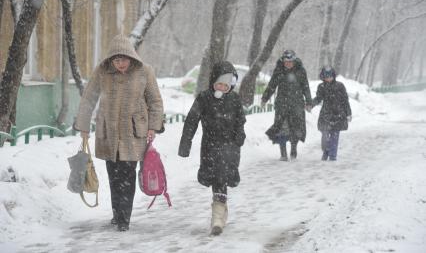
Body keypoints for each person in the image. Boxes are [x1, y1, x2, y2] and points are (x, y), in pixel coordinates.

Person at [74, 34, 164, 231]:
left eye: (123, 59)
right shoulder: (102, 71)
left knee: (127, 175)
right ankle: (117, 214)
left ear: (131, 57)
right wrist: (83, 127)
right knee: (113, 176)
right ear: (110, 60)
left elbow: (155, 101)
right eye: (116, 60)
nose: (120, 63)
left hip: (133, 133)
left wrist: (153, 127)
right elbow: (89, 98)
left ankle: (124, 219)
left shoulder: (144, 71)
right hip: (109, 133)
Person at [178, 60, 246, 236]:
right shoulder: (204, 98)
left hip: (230, 149)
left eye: (226, 84)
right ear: (213, 82)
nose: (222, 88)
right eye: (219, 84)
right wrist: (186, 143)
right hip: (209, 147)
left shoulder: (235, 99)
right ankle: (219, 214)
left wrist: (240, 135)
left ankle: (217, 216)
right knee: (216, 179)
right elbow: (191, 121)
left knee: (221, 179)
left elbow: (240, 121)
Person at [261, 49, 312, 161]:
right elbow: (272, 85)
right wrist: (265, 98)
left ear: (294, 61)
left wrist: (309, 102)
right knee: (281, 129)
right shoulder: (279, 70)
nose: (287, 63)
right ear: (283, 61)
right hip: (282, 105)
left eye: (290, 61)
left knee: (296, 129)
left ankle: (293, 148)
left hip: (297, 105)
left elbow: (306, 87)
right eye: (286, 61)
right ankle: (283, 153)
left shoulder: (300, 71)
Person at [312, 67, 352, 161]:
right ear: (323, 77)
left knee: (334, 136)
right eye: (326, 76)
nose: (328, 78)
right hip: (325, 115)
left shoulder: (340, 86)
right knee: (325, 135)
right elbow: (318, 98)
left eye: (330, 76)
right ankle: (326, 152)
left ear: (333, 76)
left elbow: (345, 100)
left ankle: (333, 155)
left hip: (338, 114)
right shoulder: (321, 87)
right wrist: (311, 104)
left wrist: (348, 113)